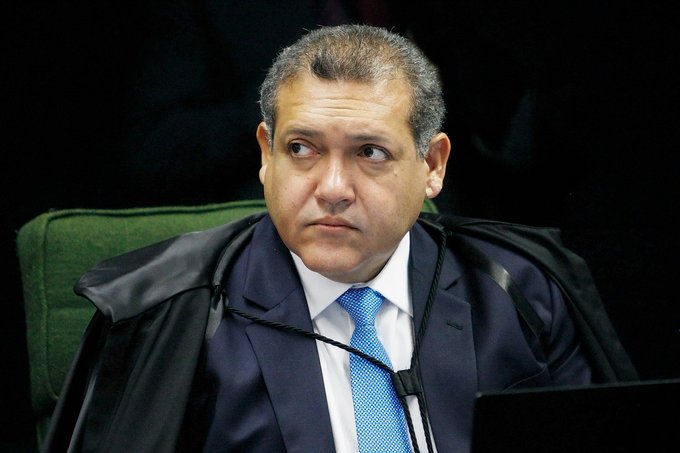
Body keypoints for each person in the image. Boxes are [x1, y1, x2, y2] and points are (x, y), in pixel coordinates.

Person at [43, 24, 636, 452]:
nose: (331, 188)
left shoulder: (520, 290)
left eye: (369, 153)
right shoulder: (173, 317)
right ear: (265, 155)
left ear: (433, 165)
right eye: (301, 148)